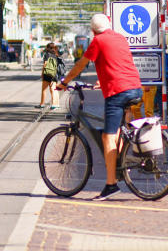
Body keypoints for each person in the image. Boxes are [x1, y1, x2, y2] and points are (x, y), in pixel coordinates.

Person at [58, 13, 143, 201]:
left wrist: (65, 81)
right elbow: (117, 63)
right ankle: (121, 164)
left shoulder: (98, 41)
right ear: (109, 25)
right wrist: (101, 80)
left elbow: (81, 64)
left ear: (93, 30)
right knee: (118, 132)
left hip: (118, 92)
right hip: (135, 89)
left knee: (107, 136)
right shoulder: (119, 38)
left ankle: (111, 184)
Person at [38, 43, 62, 109]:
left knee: (44, 90)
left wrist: (42, 73)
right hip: (54, 74)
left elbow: (45, 64)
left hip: (47, 74)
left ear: (48, 48)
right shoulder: (56, 55)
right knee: (53, 89)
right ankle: (56, 104)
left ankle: (42, 103)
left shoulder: (47, 54)